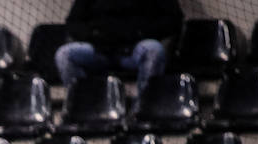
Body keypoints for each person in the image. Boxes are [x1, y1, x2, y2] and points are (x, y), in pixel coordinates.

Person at [53, 0, 182, 90]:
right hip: (100, 50)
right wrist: (94, 34)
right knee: (64, 54)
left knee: (154, 49)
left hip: (135, 48)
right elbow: (73, 23)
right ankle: (85, 107)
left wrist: (140, 32)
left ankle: (144, 109)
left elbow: (174, 19)